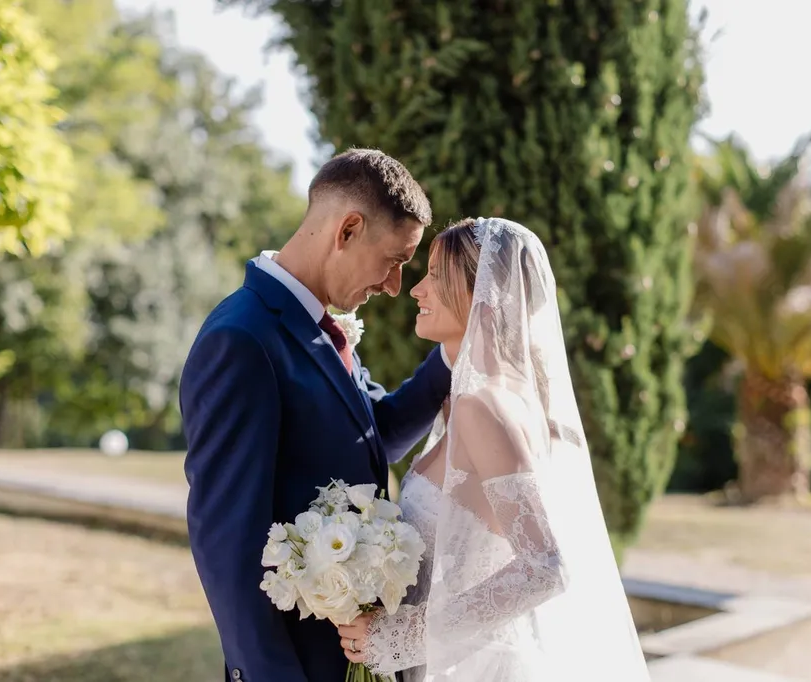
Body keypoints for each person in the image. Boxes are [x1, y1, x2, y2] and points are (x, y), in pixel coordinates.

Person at [179, 149, 454, 682]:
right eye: (395, 260)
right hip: (297, 665)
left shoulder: (323, 327)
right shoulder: (242, 339)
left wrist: (457, 347)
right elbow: (227, 544)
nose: (394, 285)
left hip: (359, 656)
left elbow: (378, 434)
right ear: (347, 230)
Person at [336, 217, 651, 681]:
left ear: (483, 296)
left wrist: (398, 638)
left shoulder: (482, 405)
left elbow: (545, 568)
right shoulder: (476, 398)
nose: (416, 291)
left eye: (436, 277)